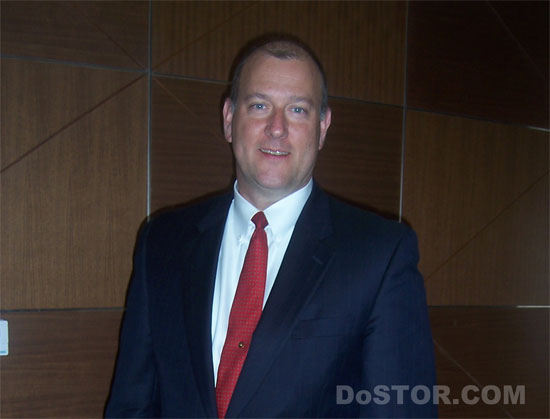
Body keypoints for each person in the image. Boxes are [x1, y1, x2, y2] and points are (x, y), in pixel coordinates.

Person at [105, 36, 437, 418]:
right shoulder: (162, 242)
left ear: (322, 127)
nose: (277, 128)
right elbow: (131, 405)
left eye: (298, 110)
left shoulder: (380, 255)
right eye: (259, 105)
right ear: (229, 119)